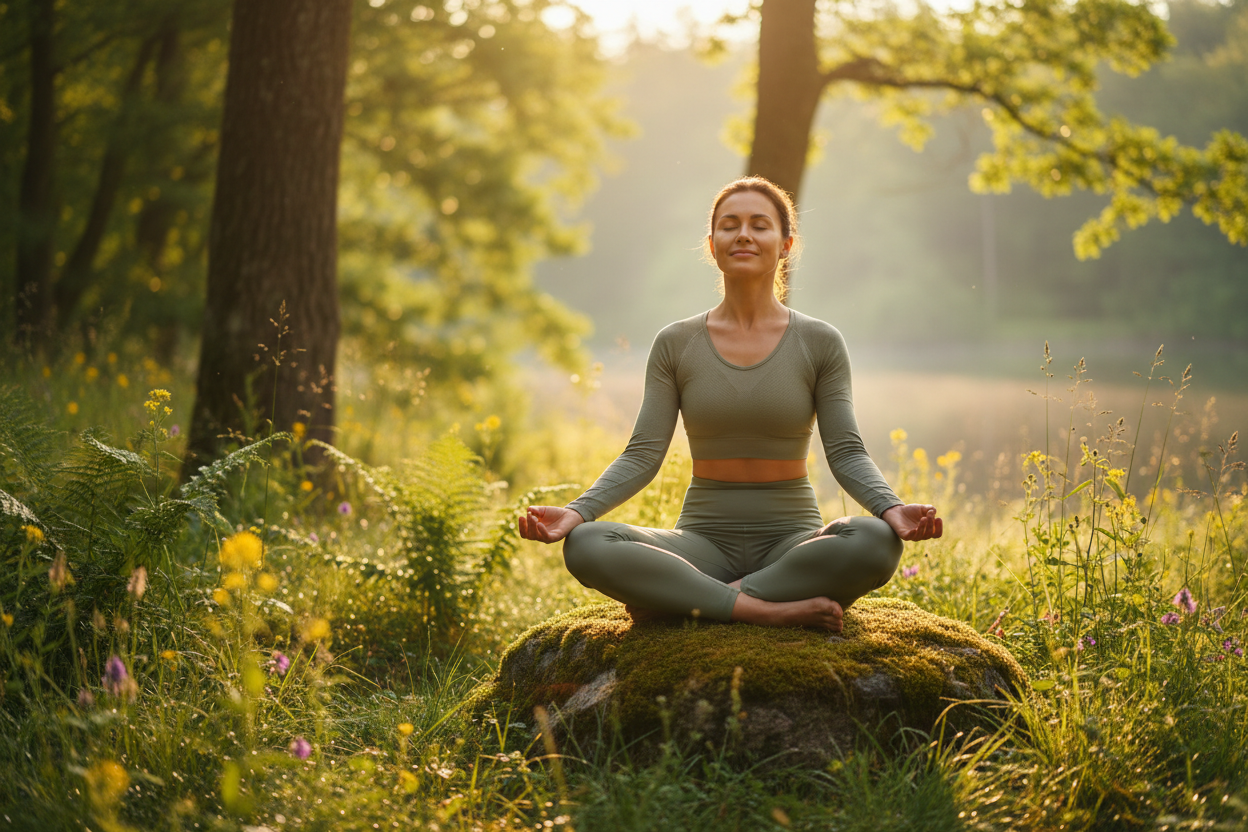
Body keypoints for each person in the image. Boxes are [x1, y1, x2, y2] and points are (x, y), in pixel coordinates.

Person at [517, 176, 942, 633]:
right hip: (701, 543)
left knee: (877, 541)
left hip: (793, 543)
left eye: (759, 225)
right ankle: (766, 609)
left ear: (786, 245)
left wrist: (890, 508)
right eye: (729, 225)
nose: (743, 235)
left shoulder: (820, 341)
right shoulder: (675, 343)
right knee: (586, 544)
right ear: (712, 244)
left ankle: (693, 600)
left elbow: (846, 451)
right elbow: (642, 453)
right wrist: (576, 513)